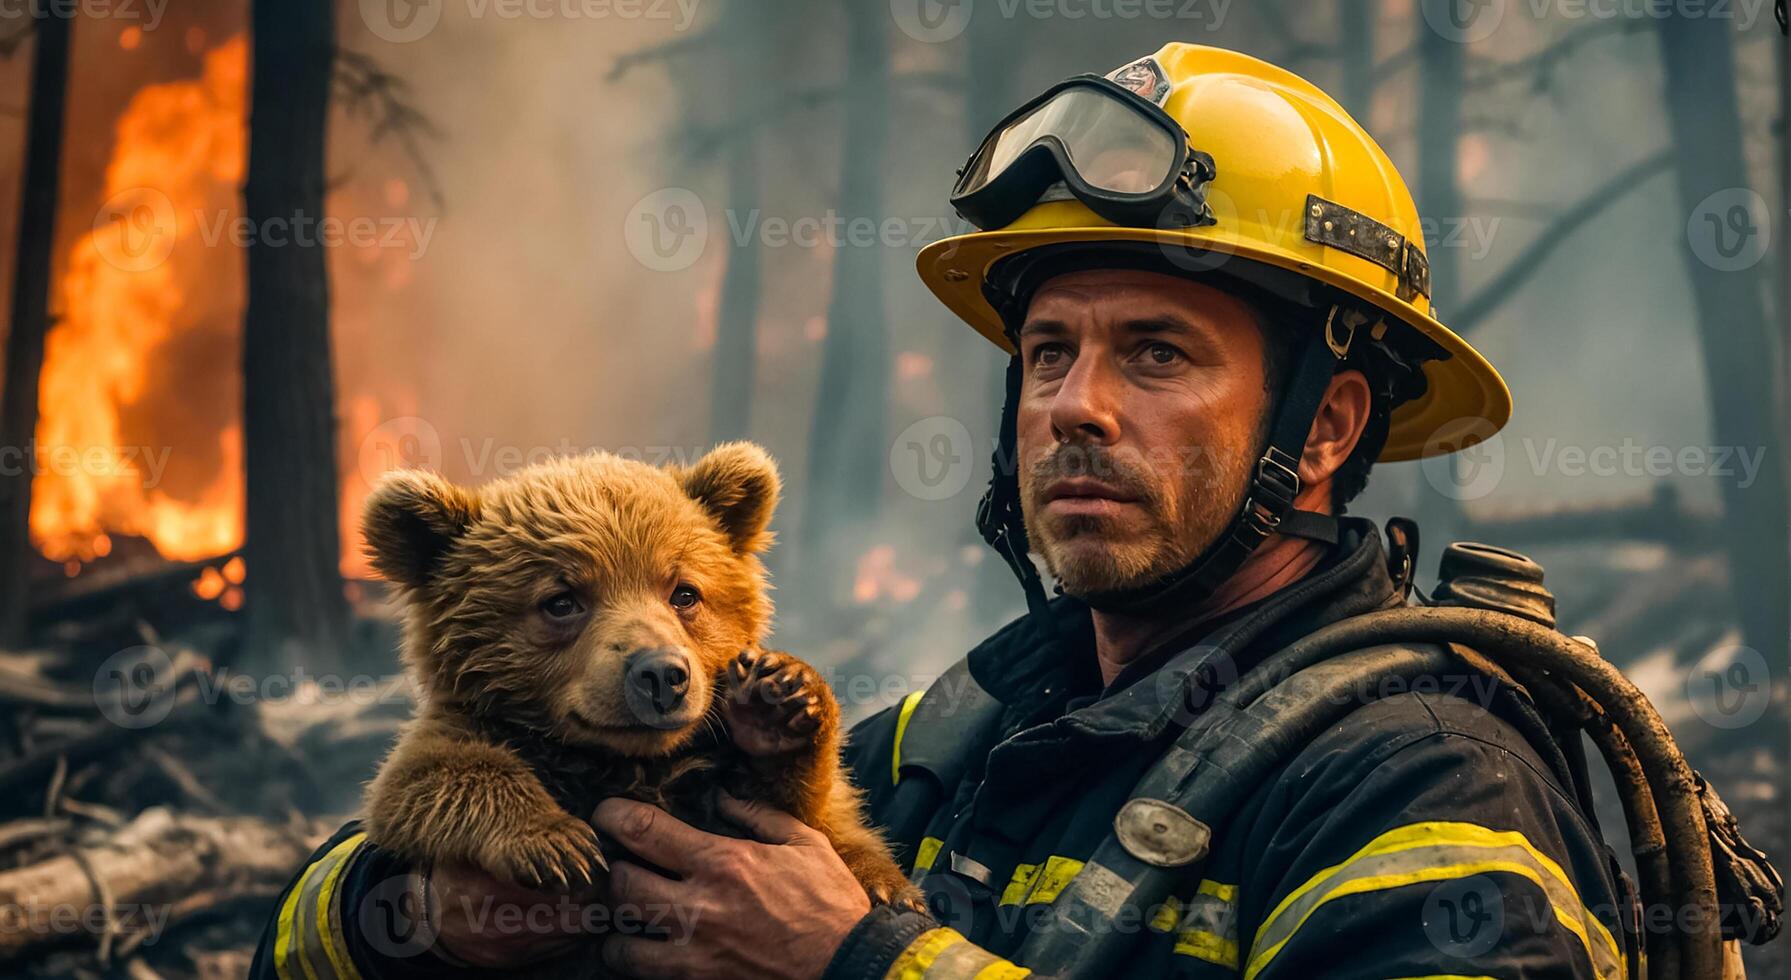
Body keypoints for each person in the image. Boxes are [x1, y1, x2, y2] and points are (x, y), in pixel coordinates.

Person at [251, 44, 1637, 980]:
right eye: (1048, 354)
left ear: (1326, 427)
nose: (1072, 407)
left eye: (1156, 353)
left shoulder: (1421, 781)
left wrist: (863, 962)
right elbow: (291, 945)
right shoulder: (953, 737)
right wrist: (418, 915)